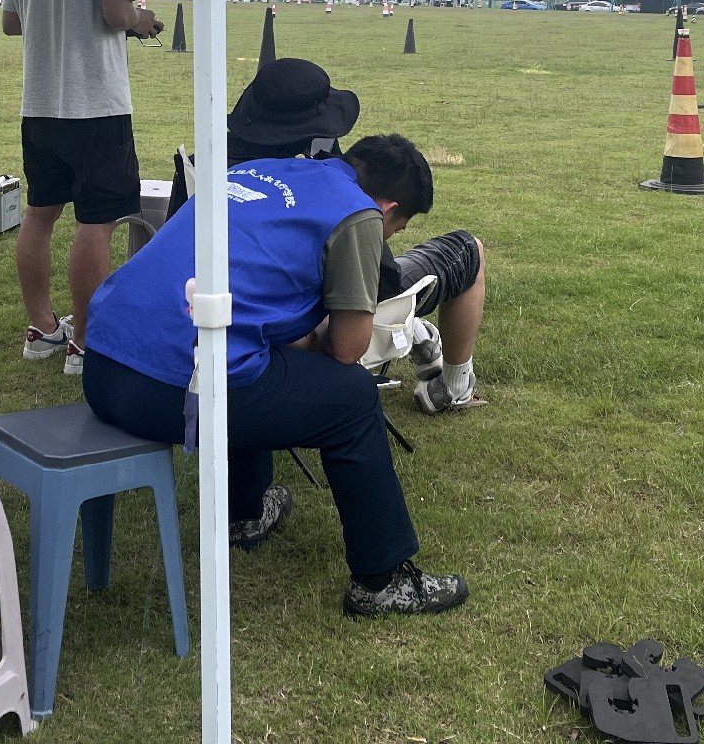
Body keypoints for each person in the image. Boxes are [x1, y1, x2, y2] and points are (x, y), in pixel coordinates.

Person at [82, 134, 469, 618]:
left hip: (102, 365)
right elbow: (348, 348)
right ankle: (380, 580)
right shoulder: (360, 214)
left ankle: (244, 512)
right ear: (389, 209)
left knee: (252, 353)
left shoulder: (266, 168)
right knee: (352, 398)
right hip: (170, 388)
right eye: (397, 229)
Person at [222, 57, 487, 415]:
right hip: (324, 310)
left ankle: (416, 332)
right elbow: (375, 280)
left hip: (226, 314)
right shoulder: (324, 182)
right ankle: (451, 382)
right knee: (467, 250)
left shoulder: (213, 165)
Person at [3, 0, 161, 376]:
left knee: (40, 214)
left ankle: (42, 328)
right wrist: (143, 20)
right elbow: (115, 12)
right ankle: (86, 344)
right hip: (96, 105)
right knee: (97, 222)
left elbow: (11, 22)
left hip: (40, 104)